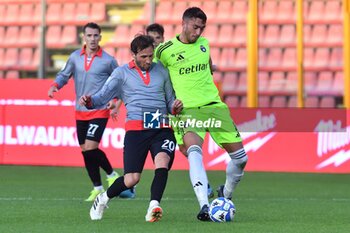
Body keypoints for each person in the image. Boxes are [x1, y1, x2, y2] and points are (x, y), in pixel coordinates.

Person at [155, 7, 248, 221]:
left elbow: (207, 67)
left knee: (241, 158)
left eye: (202, 28)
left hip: (214, 106)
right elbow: (158, 80)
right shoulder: (165, 50)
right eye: (195, 27)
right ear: (184, 23)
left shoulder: (205, 45)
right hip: (187, 110)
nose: (198, 32)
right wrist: (169, 105)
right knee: (194, 151)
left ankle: (225, 194)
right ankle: (204, 206)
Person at [79, 35, 183, 222]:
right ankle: (103, 199)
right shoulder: (121, 73)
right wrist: (90, 101)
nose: (149, 60)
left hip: (161, 126)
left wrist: (175, 107)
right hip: (136, 130)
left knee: (163, 162)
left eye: (151, 56)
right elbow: (102, 97)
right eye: (144, 56)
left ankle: (154, 205)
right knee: (132, 179)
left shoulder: (162, 71)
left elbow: (169, 102)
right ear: (133, 54)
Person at [48, 22, 135, 202]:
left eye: (96, 35)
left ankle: (111, 175)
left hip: (99, 109)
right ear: (84, 37)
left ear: (100, 37)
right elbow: (64, 75)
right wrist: (55, 85)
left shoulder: (109, 60)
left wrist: (115, 102)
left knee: (90, 147)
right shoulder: (74, 57)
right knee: (85, 150)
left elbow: (118, 81)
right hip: (80, 110)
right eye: (89, 36)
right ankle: (97, 187)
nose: (93, 39)